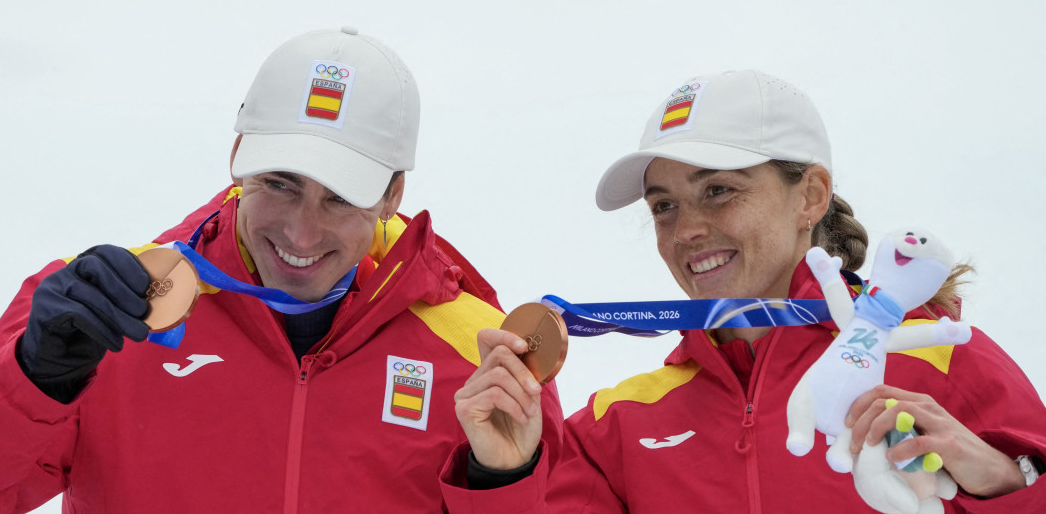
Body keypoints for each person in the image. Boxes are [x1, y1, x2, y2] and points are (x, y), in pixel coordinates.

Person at [0, 27, 564, 513]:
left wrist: (499, 480)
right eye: (280, 182)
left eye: (340, 198)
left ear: (392, 195)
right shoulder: (101, 307)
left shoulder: (478, 353)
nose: (300, 230)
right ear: (237, 156)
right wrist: (31, 380)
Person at [441, 69, 1046, 512]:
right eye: (664, 206)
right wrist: (504, 474)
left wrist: (1004, 480)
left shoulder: (939, 355)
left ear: (809, 196)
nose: (687, 230)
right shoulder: (618, 424)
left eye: (719, 190)